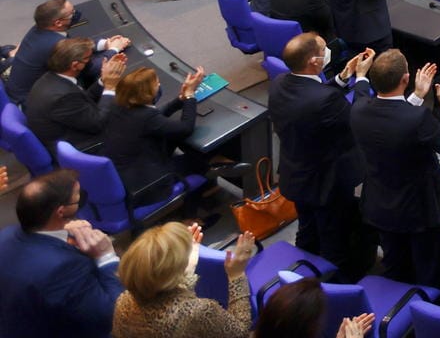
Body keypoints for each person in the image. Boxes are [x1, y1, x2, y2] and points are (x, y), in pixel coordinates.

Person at [349, 50, 440, 287]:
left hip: (380, 206)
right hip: (420, 210)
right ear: (405, 79)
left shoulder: (358, 108)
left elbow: (383, 110)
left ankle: (398, 312)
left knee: (395, 267)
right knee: (429, 271)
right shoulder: (417, 118)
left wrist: (417, 95)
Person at [269, 34, 371, 275]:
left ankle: (300, 276)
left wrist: (342, 78)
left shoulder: (280, 82)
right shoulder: (325, 101)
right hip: (327, 184)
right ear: (314, 62)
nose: (329, 51)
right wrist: (362, 79)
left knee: (307, 231)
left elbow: (311, 94)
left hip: (296, 176)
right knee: (334, 240)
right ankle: (335, 289)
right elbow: (359, 116)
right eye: (324, 49)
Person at [0, 170, 124, 336]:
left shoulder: (6, 235)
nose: (81, 201)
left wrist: (63, 232)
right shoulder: (63, 268)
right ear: (61, 212)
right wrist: (106, 257)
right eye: (78, 199)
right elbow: (111, 316)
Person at [109, 222, 254, 338]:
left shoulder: (124, 300)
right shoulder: (199, 311)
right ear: (177, 271)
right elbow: (240, 332)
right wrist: (236, 275)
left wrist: (183, 258)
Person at [102, 64, 209, 207]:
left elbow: (155, 116)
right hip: (149, 185)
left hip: (125, 176)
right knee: (199, 161)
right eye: (157, 84)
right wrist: (190, 96)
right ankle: (190, 215)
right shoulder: (146, 117)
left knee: (174, 143)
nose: (159, 85)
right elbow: (185, 129)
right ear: (147, 93)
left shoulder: (119, 105)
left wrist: (180, 100)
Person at [24, 36, 124, 153]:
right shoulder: (63, 97)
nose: (91, 61)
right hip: (82, 146)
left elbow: (84, 99)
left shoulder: (51, 78)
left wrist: (103, 80)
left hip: (70, 129)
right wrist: (110, 87)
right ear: (75, 65)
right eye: (88, 58)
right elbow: (98, 124)